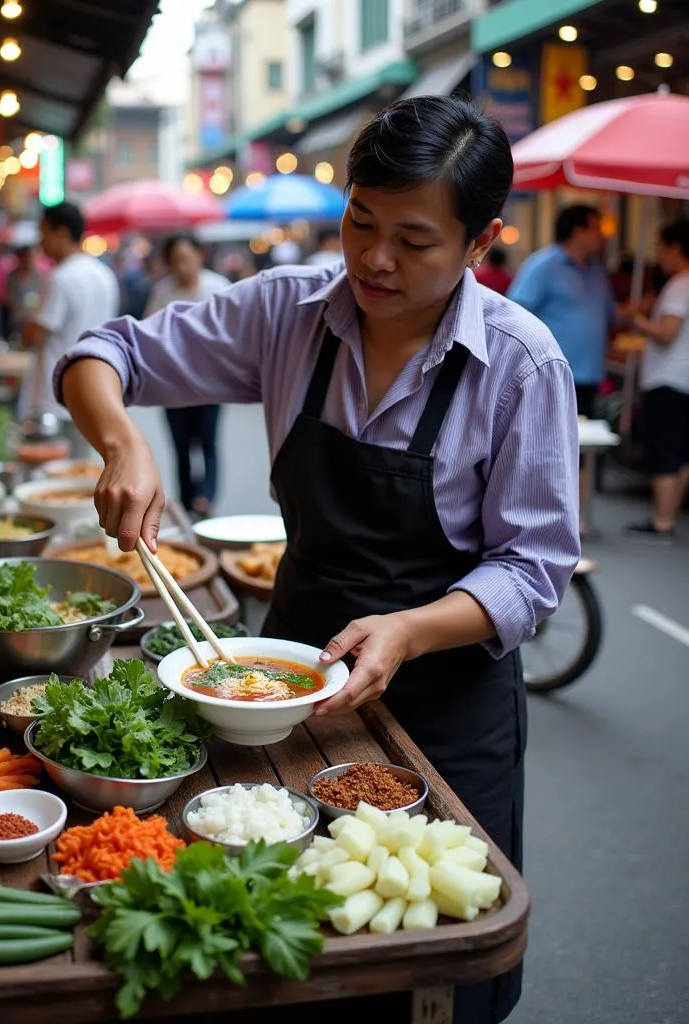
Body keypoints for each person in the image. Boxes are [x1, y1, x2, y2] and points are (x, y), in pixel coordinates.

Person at [56, 96, 580, 1024]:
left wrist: (410, 631)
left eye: (414, 240)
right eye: (360, 221)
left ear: (480, 241)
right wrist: (123, 444)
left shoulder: (521, 363)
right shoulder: (286, 312)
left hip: (451, 705)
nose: (375, 258)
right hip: (283, 690)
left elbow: (534, 568)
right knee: (286, 942)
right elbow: (102, 354)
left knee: (430, 953)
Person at [508, 205, 614, 533]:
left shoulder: (596, 271)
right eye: (597, 227)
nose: (602, 235)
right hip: (552, 373)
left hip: (589, 373)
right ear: (577, 230)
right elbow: (515, 312)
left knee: (580, 448)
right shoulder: (544, 265)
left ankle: (571, 517)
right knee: (545, 444)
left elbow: (609, 313)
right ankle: (535, 517)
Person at [21, 201, 119, 456]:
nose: (40, 243)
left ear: (61, 233)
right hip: (94, 391)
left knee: (53, 474)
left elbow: (35, 334)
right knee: (79, 471)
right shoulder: (104, 275)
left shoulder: (60, 278)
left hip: (56, 395)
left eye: (44, 234)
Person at [144, 234, 231, 517]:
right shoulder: (163, 292)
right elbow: (150, 333)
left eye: (186, 257)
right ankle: (187, 499)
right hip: (174, 385)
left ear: (199, 255)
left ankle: (205, 497)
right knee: (180, 447)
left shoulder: (218, 287)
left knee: (208, 441)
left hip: (211, 384)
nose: (182, 265)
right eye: (175, 260)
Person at [624, 220, 689, 543]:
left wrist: (638, 320)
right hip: (684, 378)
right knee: (679, 453)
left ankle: (663, 521)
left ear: (675, 248)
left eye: (662, 248)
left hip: (667, 378)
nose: (659, 256)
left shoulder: (680, 284)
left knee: (665, 451)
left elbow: (667, 332)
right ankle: (670, 515)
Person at [4, 246, 45, 338]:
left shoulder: (39, 276)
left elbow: (43, 297)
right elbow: (8, 298)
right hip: (17, 320)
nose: (28, 260)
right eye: (25, 257)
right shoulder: (13, 276)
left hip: (33, 319)